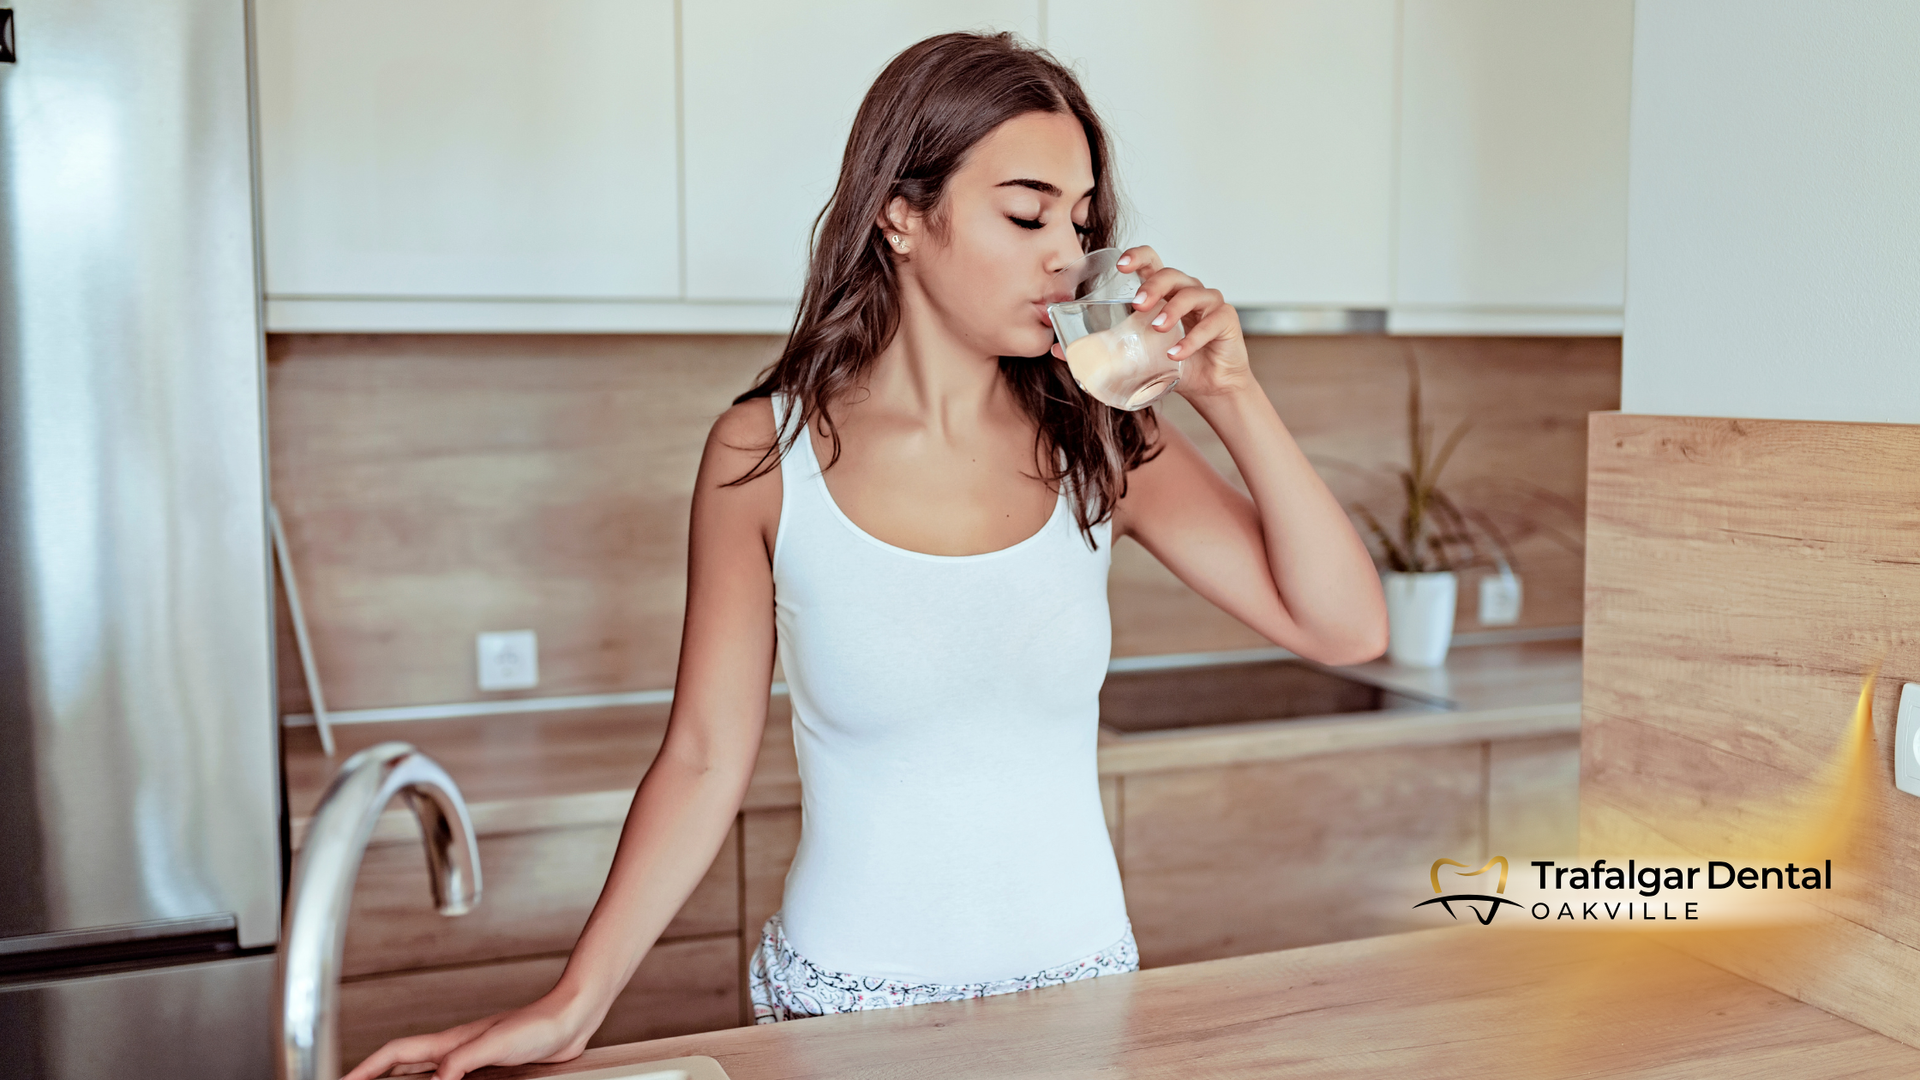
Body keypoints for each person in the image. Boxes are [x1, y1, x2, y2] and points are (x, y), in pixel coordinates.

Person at [344, 29, 1387, 1080]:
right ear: (901, 213)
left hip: (1082, 998)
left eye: (1080, 220)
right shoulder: (765, 454)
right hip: (841, 1017)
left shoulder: (1103, 439)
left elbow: (1346, 626)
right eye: (1026, 213)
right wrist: (574, 1004)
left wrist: (1232, 395)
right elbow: (705, 755)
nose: (1065, 254)